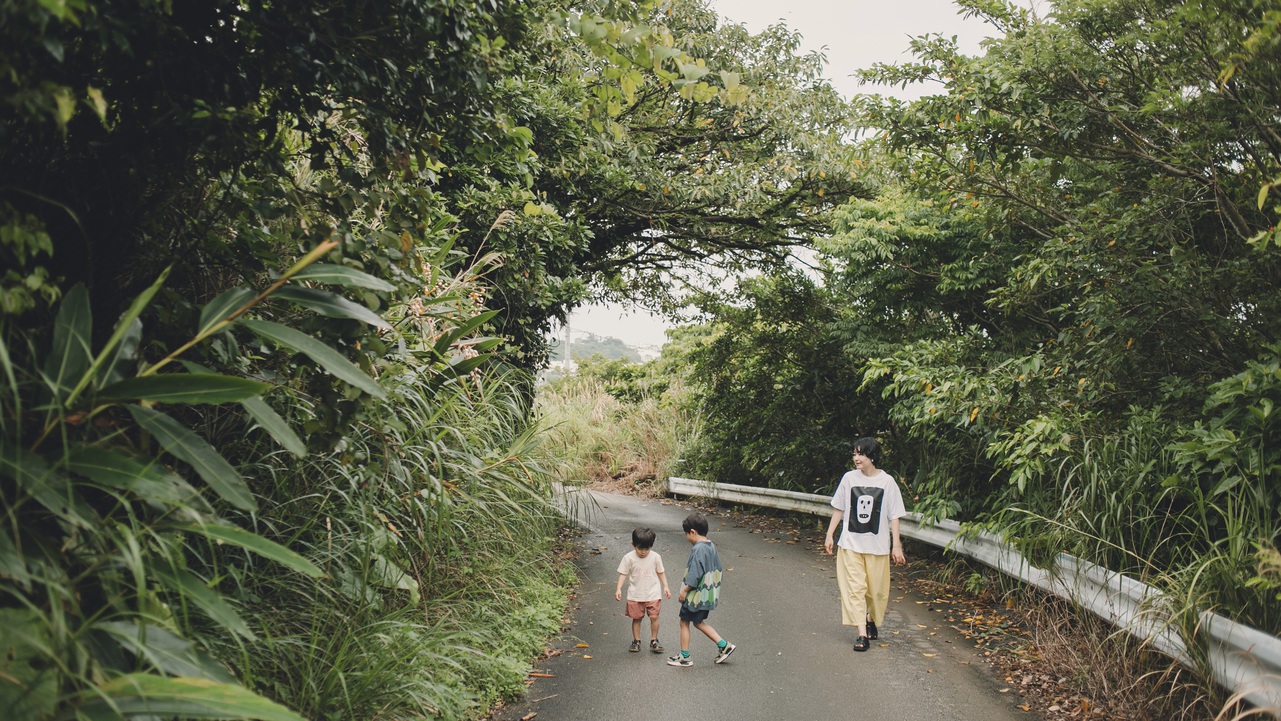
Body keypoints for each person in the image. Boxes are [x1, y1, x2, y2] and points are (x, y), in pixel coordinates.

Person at [824, 436, 907, 653]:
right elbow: (839, 508)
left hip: (877, 547)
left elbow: (895, 515)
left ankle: (870, 618)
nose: (856, 458)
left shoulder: (887, 482)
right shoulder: (849, 478)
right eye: (854, 454)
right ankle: (862, 634)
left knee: (876, 592)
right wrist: (830, 534)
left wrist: (896, 546)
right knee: (855, 589)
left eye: (860, 454)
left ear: (872, 456)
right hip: (851, 544)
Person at [666, 513, 737, 667]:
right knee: (698, 622)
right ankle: (724, 645)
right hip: (706, 595)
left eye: (686, 534)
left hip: (695, 596)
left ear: (693, 532)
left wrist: (685, 590)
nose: (687, 538)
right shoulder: (711, 546)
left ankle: (685, 656)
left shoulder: (698, 549)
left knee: (684, 622)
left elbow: (695, 573)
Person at [615, 527, 672, 653]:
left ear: (651, 546)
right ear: (633, 544)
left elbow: (660, 572)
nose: (643, 552)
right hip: (635, 594)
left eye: (647, 549)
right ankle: (636, 641)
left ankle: (654, 640)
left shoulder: (656, 557)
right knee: (637, 618)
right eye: (640, 548)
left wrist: (666, 586)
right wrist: (619, 588)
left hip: (653, 593)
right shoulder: (628, 558)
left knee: (654, 617)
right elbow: (623, 573)